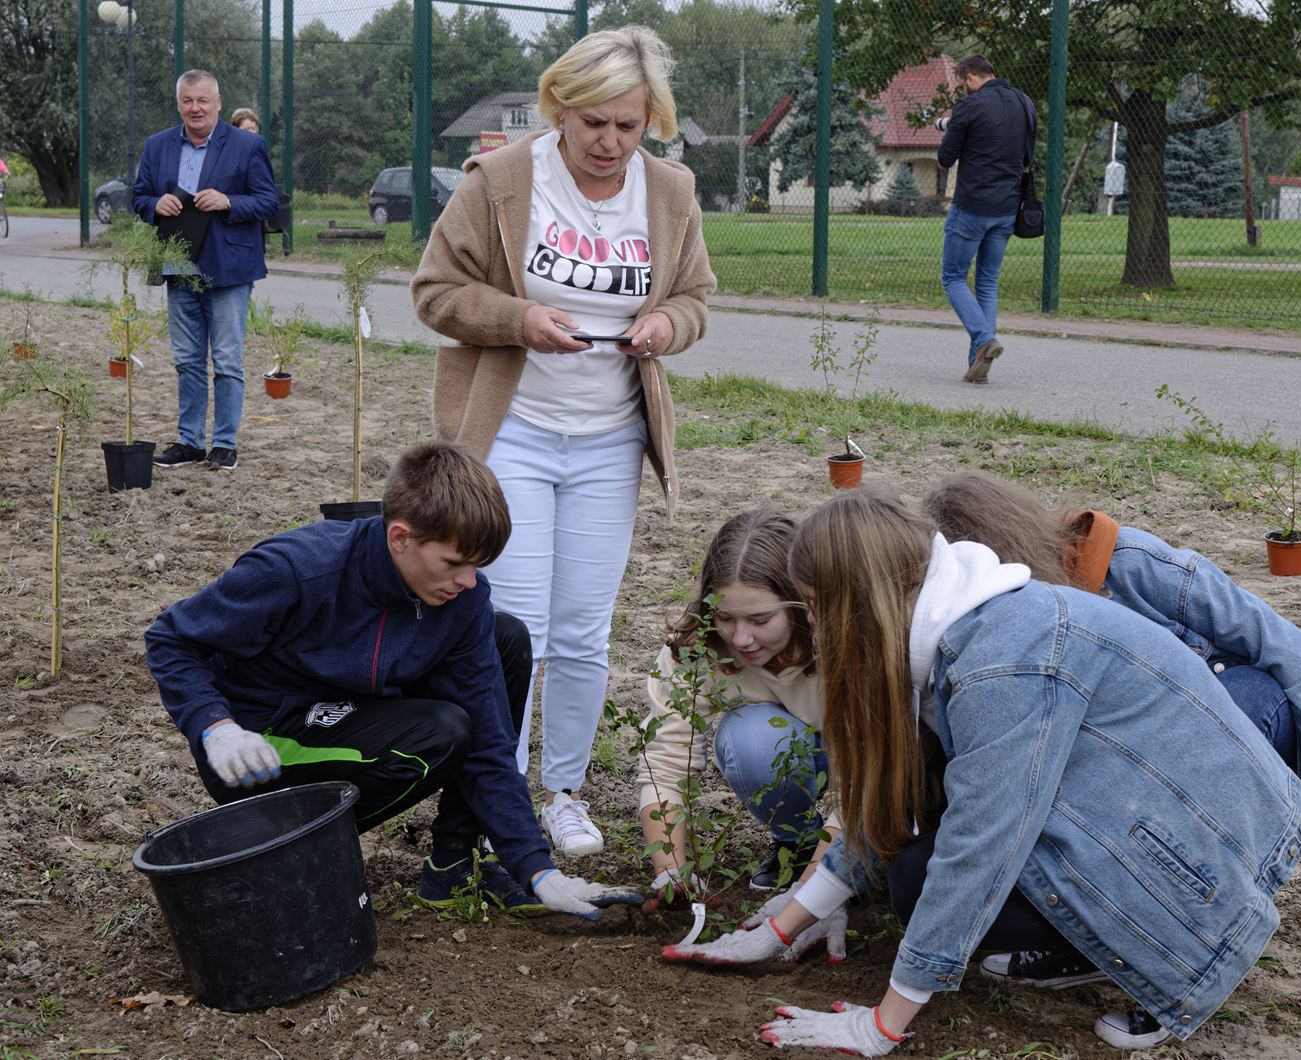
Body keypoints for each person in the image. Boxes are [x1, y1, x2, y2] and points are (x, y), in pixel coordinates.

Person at [664, 491, 1301, 1052]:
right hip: (1139, 817)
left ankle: (1159, 951)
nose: (819, 631)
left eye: (816, 606)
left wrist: (880, 1027)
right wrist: (779, 930)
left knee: (946, 872)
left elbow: (983, 840)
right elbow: (893, 811)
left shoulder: (1002, 661)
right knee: (914, 874)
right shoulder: (948, 632)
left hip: (1198, 861)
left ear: (857, 599)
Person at [412, 25, 715, 858]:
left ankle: (565, 791)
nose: (612, 143)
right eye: (595, 125)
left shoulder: (670, 191)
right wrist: (518, 320)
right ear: (560, 109)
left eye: (629, 124)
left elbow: (694, 298)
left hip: (610, 441)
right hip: (514, 433)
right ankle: (496, 798)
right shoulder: (503, 182)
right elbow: (434, 292)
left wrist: (664, 323)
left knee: (584, 630)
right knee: (516, 626)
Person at [922, 470, 1301, 988]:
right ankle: (1101, 940)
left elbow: (1286, 648)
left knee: (1250, 692)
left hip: (1224, 736)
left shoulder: (1131, 564)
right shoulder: (971, 640)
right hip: (1115, 779)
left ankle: (1204, 910)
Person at [144, 440, 642, 921]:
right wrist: (217, 727)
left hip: (354, 713)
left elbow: (491, 743)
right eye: (454, 562)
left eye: (477, 565)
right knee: (443, 731)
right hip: (261, 750)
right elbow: (172, 638)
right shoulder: (298, 569)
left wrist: (536, 870)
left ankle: (453, 863)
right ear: (400, 537)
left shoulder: (461, 601)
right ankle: (277, 846)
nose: (468, 580)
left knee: (503, 635)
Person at [637, 510, 838, 900]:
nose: (742, 638)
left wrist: (813, 896)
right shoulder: (696, 648)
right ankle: (797, 843)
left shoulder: (841, 644)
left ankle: (842, 860)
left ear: (802, 605)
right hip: (785, 752)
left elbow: (862, 786)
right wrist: (670, 872)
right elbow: (665, 762)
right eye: (725, 617)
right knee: (753, 738)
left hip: (862, 774)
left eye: (761, 619)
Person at [131, 70, 278, 472]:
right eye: (187, 101)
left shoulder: (248, 145)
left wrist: (229, 201)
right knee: (187, 360)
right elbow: (138, 196)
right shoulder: (157, 145)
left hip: (228, 268)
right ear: (179, 103)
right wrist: (154, 204)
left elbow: (269, 202)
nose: (195, 108)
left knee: (227, 360)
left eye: (203, 101)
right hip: (177, 264)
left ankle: (225, 444)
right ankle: (190, 441)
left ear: (217, 102)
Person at [935, 55, 1034, 385]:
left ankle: (984, 341)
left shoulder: (970, 106)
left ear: (970, 78)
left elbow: (945, 158)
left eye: (964, 85)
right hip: (1007, 207)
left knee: (952, 276)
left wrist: (955, 127)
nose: (965, 90)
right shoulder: (1024, 103)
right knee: (988, 282)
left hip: (972, 206)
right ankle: (978, 363)